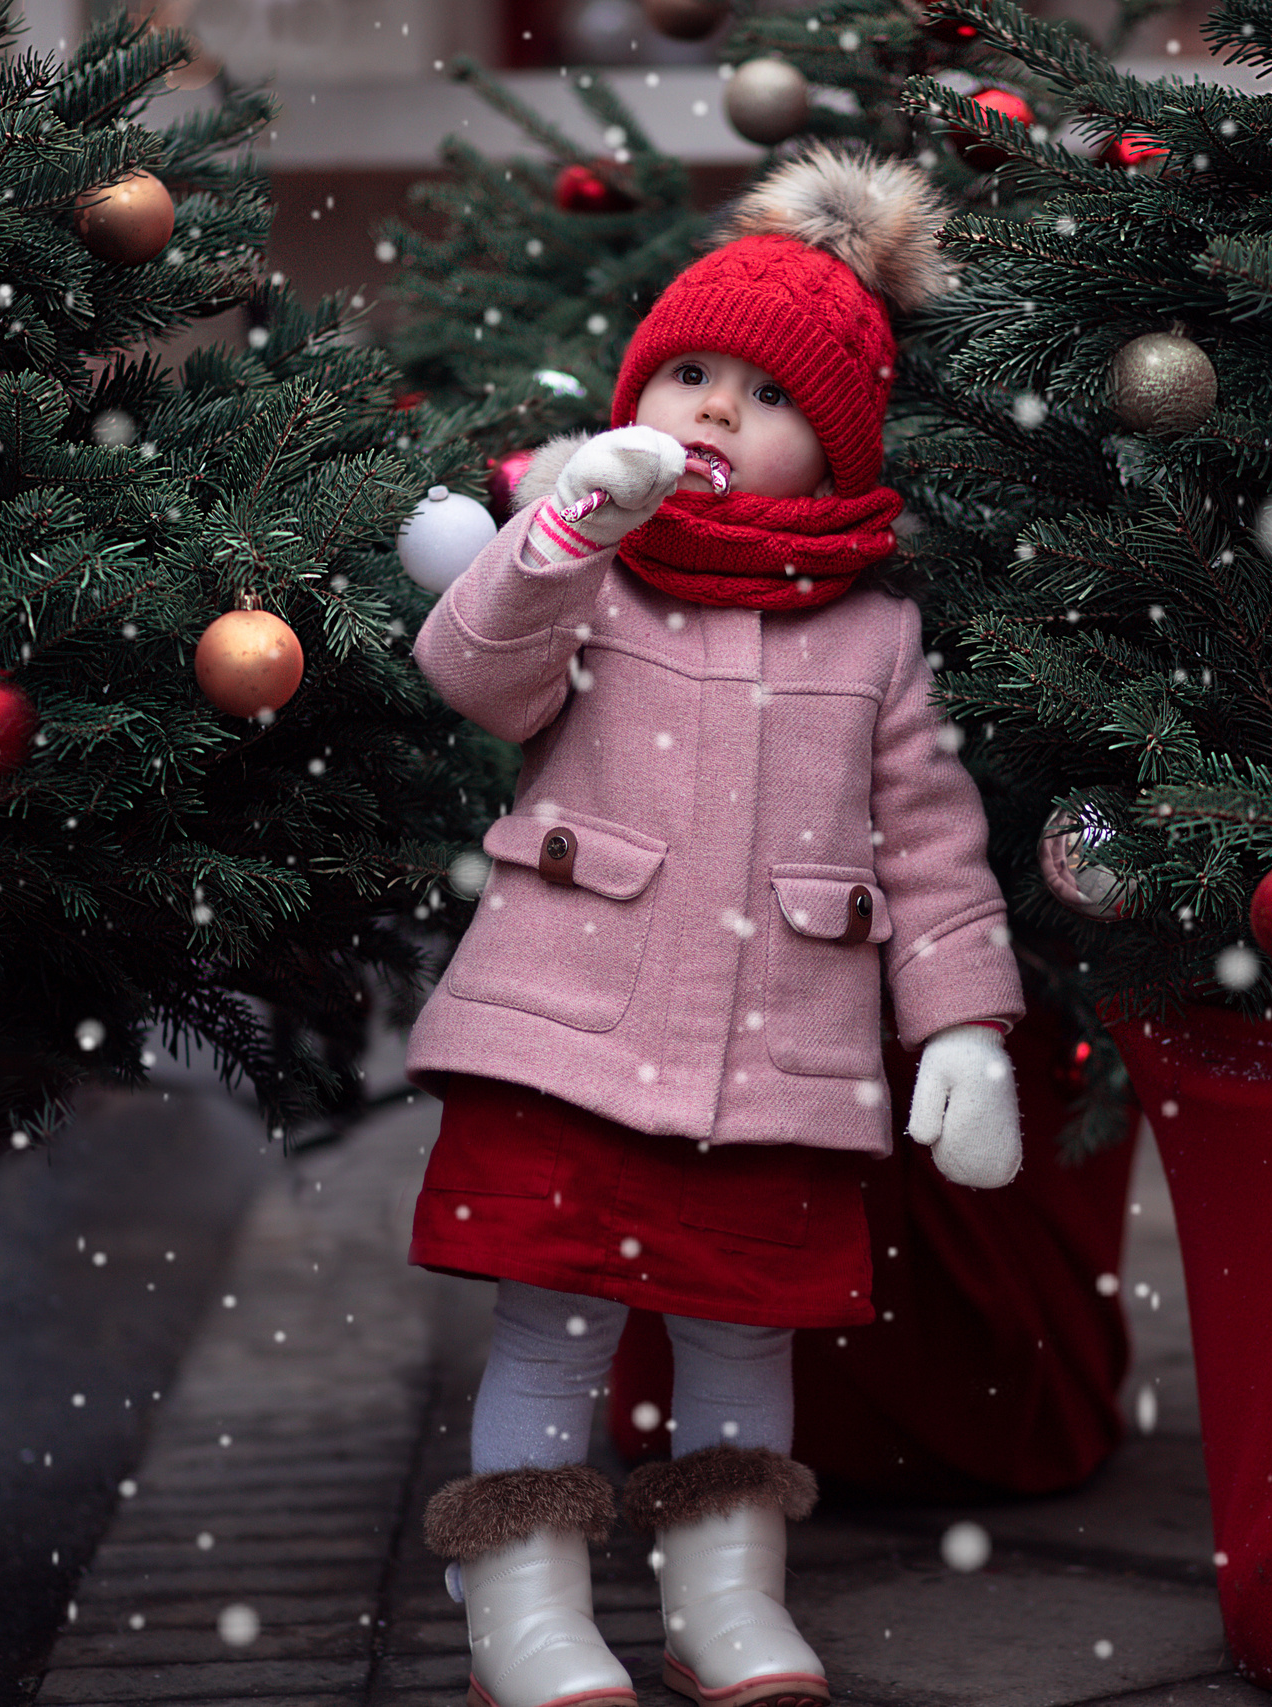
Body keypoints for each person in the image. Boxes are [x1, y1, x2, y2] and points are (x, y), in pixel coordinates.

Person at [405, 144, 1023, 1707]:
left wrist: (961, 1023)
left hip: (780, 1053)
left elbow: (932, 839)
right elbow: (478, 677)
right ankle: (524, 1604)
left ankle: (727, 1596)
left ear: (838, 446)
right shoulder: (590, 576)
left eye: (765, 394)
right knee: (553, 1322)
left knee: (743, 1337)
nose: (712, 410)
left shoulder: (877, 632)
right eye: (685, 371)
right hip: (572, 1024)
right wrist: (558, 540)